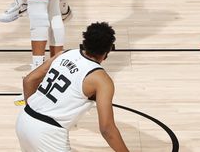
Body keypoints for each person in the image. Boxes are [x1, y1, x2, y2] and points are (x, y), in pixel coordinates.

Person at [16, 21, 129, 152]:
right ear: (107, 51)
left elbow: (29, 81)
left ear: (85, 42)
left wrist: (34, 115)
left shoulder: (64, 54)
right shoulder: (101, 80)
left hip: (24, 119)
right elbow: (107, 129)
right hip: (48, 133)